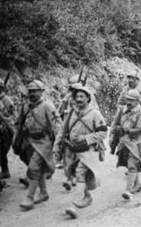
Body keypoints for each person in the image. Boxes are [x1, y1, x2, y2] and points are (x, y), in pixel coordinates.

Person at [54, 84, 107, 219]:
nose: (78, 99)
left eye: (82, 96)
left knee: (80, 173)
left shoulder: (95, 113)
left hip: (88, 150)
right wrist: (57, 145)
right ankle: (87, 196)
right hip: (72, 150)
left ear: (88, 98)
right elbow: (63, 130)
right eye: (77, 96)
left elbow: (103, 133)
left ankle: (74, 204)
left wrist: (86, 138)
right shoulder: (71, 112)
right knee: (72, 172)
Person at [16, 80, 62, 211]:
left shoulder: (47, 106)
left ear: (41, 91)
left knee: (33, 168)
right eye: (30, 91)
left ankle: (29, 198)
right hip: (30, 141)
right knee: (39, 169)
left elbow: (57, 124)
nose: (32, 93)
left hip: (44, 141)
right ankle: (43, 193)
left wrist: (59, 143)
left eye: (35, 91)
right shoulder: (25, 106)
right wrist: (17, 137)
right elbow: (19, 123)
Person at [0, 77, 16, 179]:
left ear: (2, 88)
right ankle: (3, 171)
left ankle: (4, 171)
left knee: (3, 150)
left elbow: (12, 114)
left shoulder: (6, 100)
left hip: (5, 128)